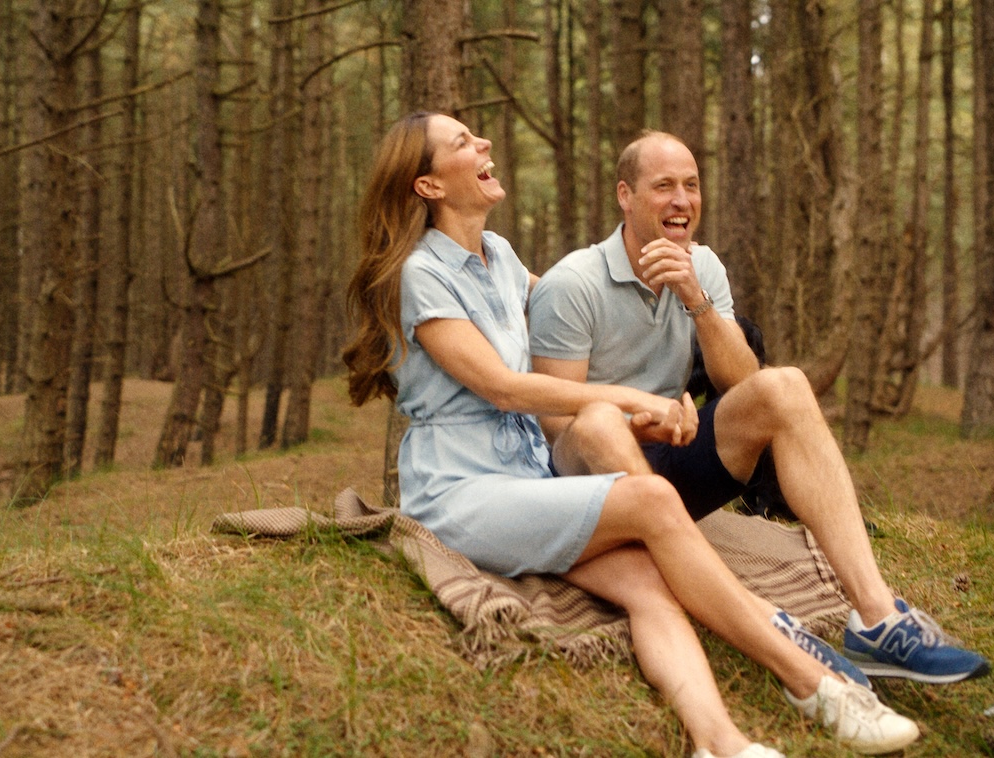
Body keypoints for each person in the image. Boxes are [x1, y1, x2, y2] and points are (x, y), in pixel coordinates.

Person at [343, 112, 921, 758]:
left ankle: (720, 743)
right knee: (651, 504)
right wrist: (626, 399)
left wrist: (657, 402)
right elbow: (505, 388)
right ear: (428, 186)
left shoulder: (498, 256)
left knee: (650, 582)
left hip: (530, 481)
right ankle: (809, 677)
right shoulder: (422, 274)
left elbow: (569, 302)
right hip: (461, 489)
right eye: (463, 143)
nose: (484, 145)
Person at [528, 130, 991, 686]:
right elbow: (554, 422)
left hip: (673, 461)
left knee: (786, 386)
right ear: (625, 196)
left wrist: (696, 300)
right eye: (664, 186)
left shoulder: (705, 269)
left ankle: (877, 618)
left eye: (692, 186)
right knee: (599, 423)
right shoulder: (573, 284)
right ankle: (759, 620)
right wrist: (637, 419)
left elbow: (743, 384)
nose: (682, 200)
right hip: (594, 486)